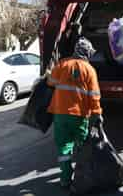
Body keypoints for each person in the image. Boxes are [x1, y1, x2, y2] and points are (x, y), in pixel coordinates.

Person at [46, 36, 103, 188]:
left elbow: (50, 82)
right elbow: (94, 95)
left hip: (60, 113)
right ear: (87, 53)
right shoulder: (89, 70)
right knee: (82, 145)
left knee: (64, 147)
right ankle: (82, 176)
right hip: (79, 115)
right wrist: (97, 114)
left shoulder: (62, 64)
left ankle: (65, 179)